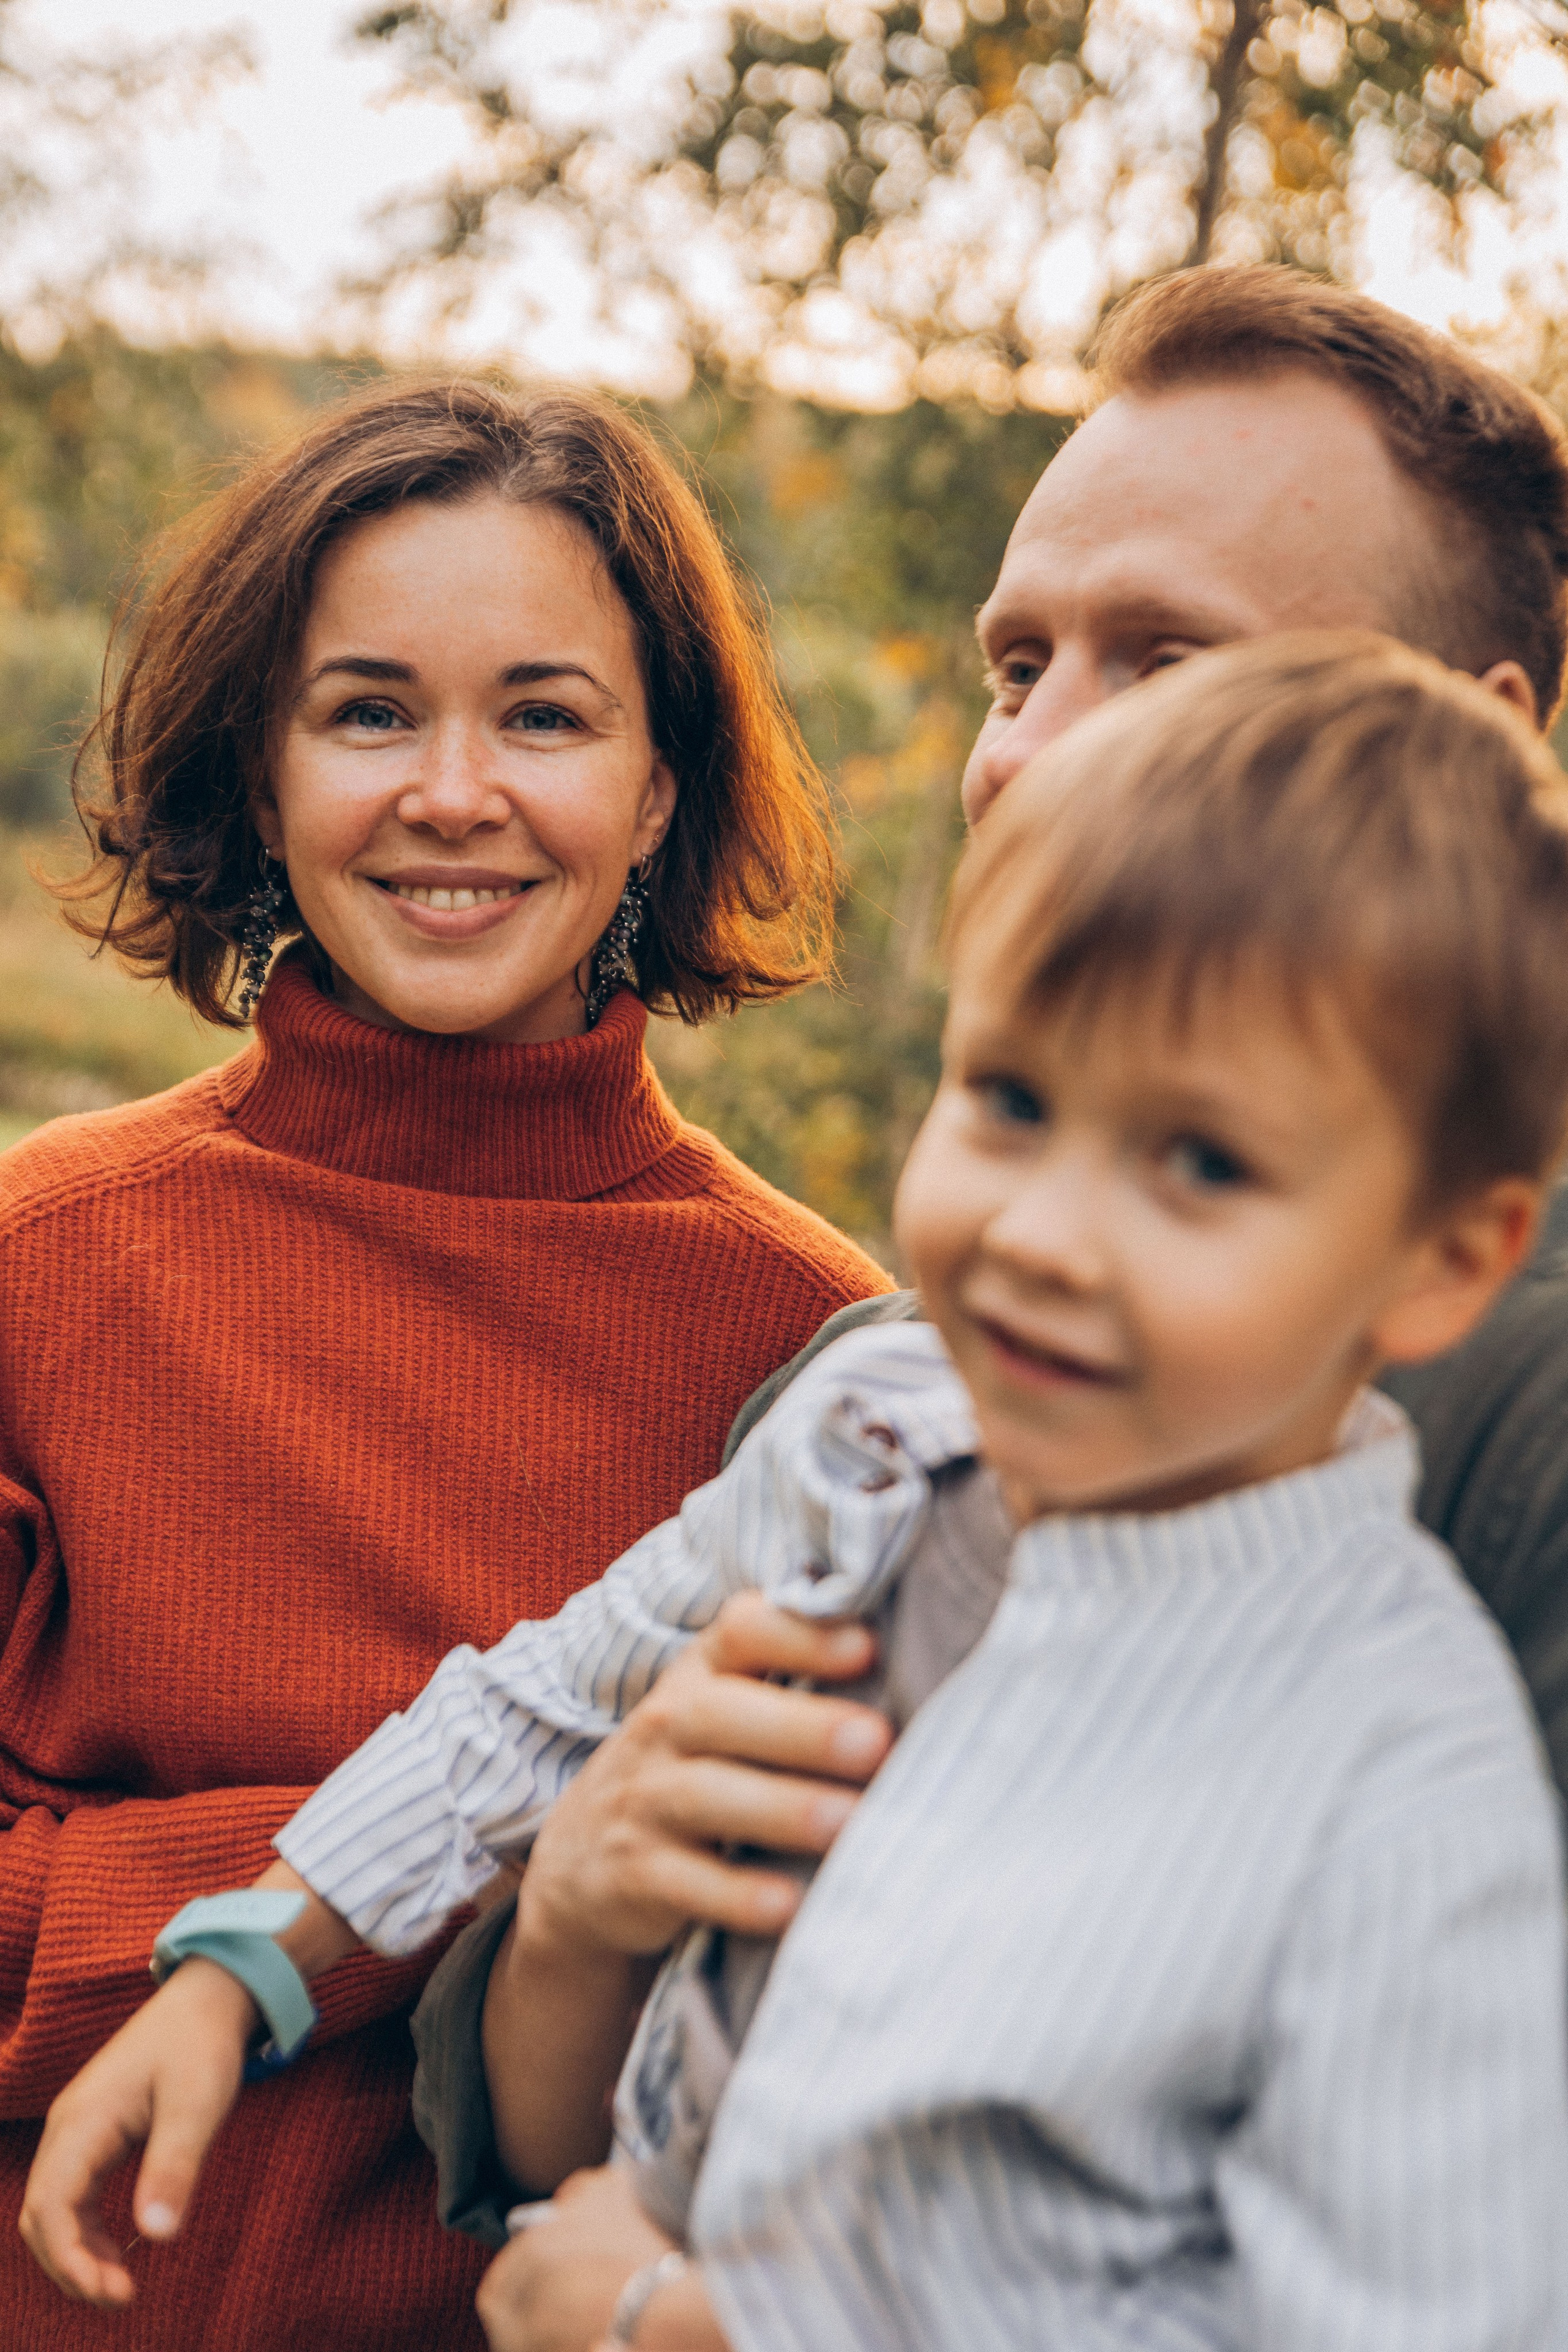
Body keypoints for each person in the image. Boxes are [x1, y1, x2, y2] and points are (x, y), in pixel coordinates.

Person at [39, 635, 1568, 2349]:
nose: (1042, 1234)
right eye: (1009, 1101)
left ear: (1445, 1260)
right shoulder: (887, 1419)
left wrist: (691, 2326)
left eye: (1202, 1164)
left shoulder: (1395, 1775)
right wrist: (251, 1959)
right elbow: (551, 1693)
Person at [0, 377, 892, 2350]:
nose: (453, 793)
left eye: (547, 715)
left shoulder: (813, 1355)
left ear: (662, 786)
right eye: (372, 710)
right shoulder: (39, 1262)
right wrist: (412, 1861)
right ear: (262, 762)